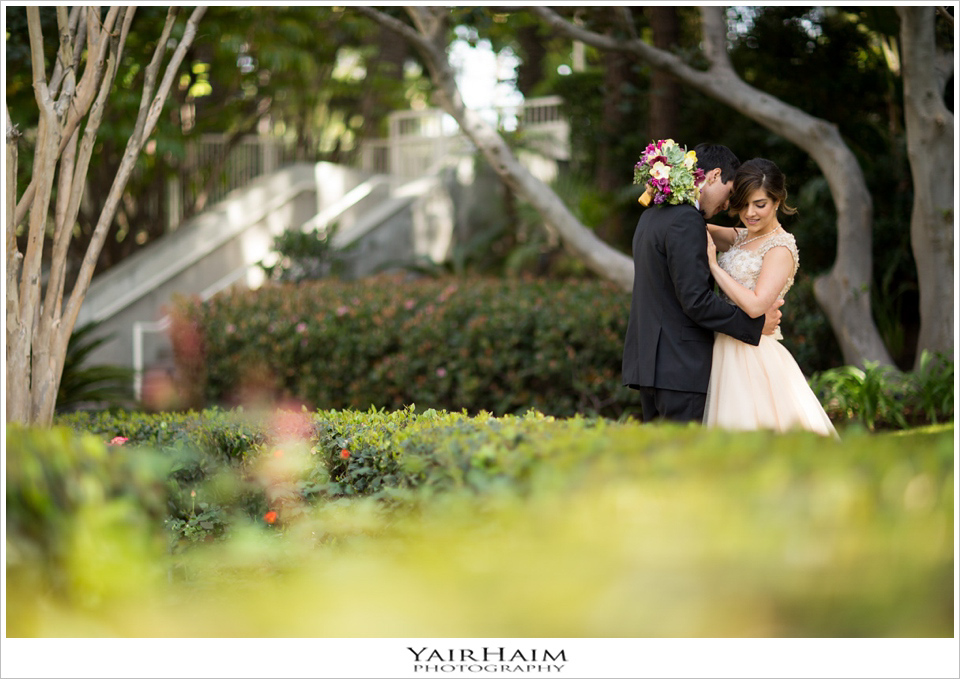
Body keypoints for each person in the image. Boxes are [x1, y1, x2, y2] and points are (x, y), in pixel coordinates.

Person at [622, 143, 783, 423]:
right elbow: (696, 301)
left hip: (649, 365)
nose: (727, 206)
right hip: (680, 368)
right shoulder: (686, 219)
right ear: (713, 175)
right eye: (731, 194)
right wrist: (754, 325)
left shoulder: (652, 215)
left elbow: (748, 239)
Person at [704, 158, 838, 438]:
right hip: (725, 345)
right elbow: (698, 229)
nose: (750, 213)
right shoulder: (741, 237)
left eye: (760, 204)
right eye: (743, 204)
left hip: (753, 353)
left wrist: (715, 267)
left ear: (777, 201)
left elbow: (755, 306)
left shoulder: (780, 248)